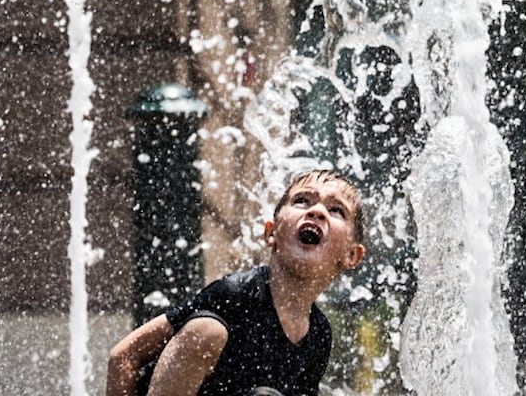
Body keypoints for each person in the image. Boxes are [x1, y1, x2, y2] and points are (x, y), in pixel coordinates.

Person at [106, 169, 365, 396]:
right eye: (301, 200)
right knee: (206, 330)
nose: (316, 211)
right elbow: (124, 355)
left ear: (351, 255)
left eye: (336, 210)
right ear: (270, 232)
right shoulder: (234, 295)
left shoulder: (318, 335)